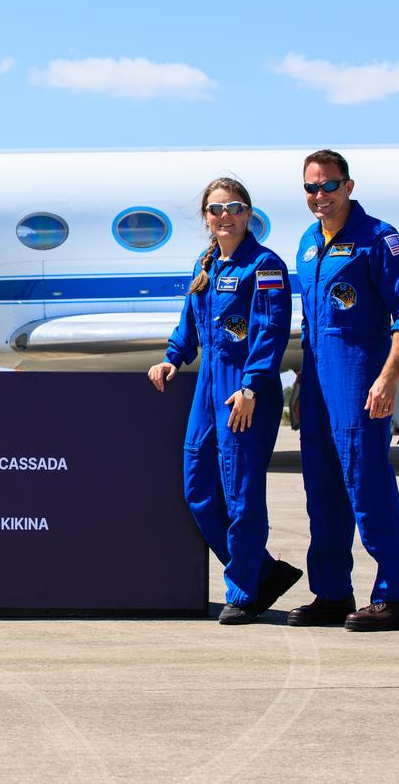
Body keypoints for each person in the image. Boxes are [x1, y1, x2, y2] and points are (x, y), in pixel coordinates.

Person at [148, 178, 302, 624]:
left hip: (246, 390)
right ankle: (263, 572)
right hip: (208, 387)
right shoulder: (206, 264)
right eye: (216, 209)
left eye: (234, 208)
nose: (225, 216)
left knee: (241, 495)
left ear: (248, 214)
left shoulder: (265, 266)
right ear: (206, 218)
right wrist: (172, 359)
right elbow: (189, 324)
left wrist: (251, 386)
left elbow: (271, 331)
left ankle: (245, 592)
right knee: (198, 489)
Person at [288, 150, 399, 632]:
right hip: (318, 382)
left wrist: (388, 377)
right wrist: (302, 381)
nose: (320, 195)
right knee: (322, 491)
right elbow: (311, 323)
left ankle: (393, 597)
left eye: (329, 185)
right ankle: (331, 593)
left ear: (348, 186)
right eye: (311, 187)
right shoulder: (308, 243)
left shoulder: (378, 238)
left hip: (360, 379)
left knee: (368, 485)